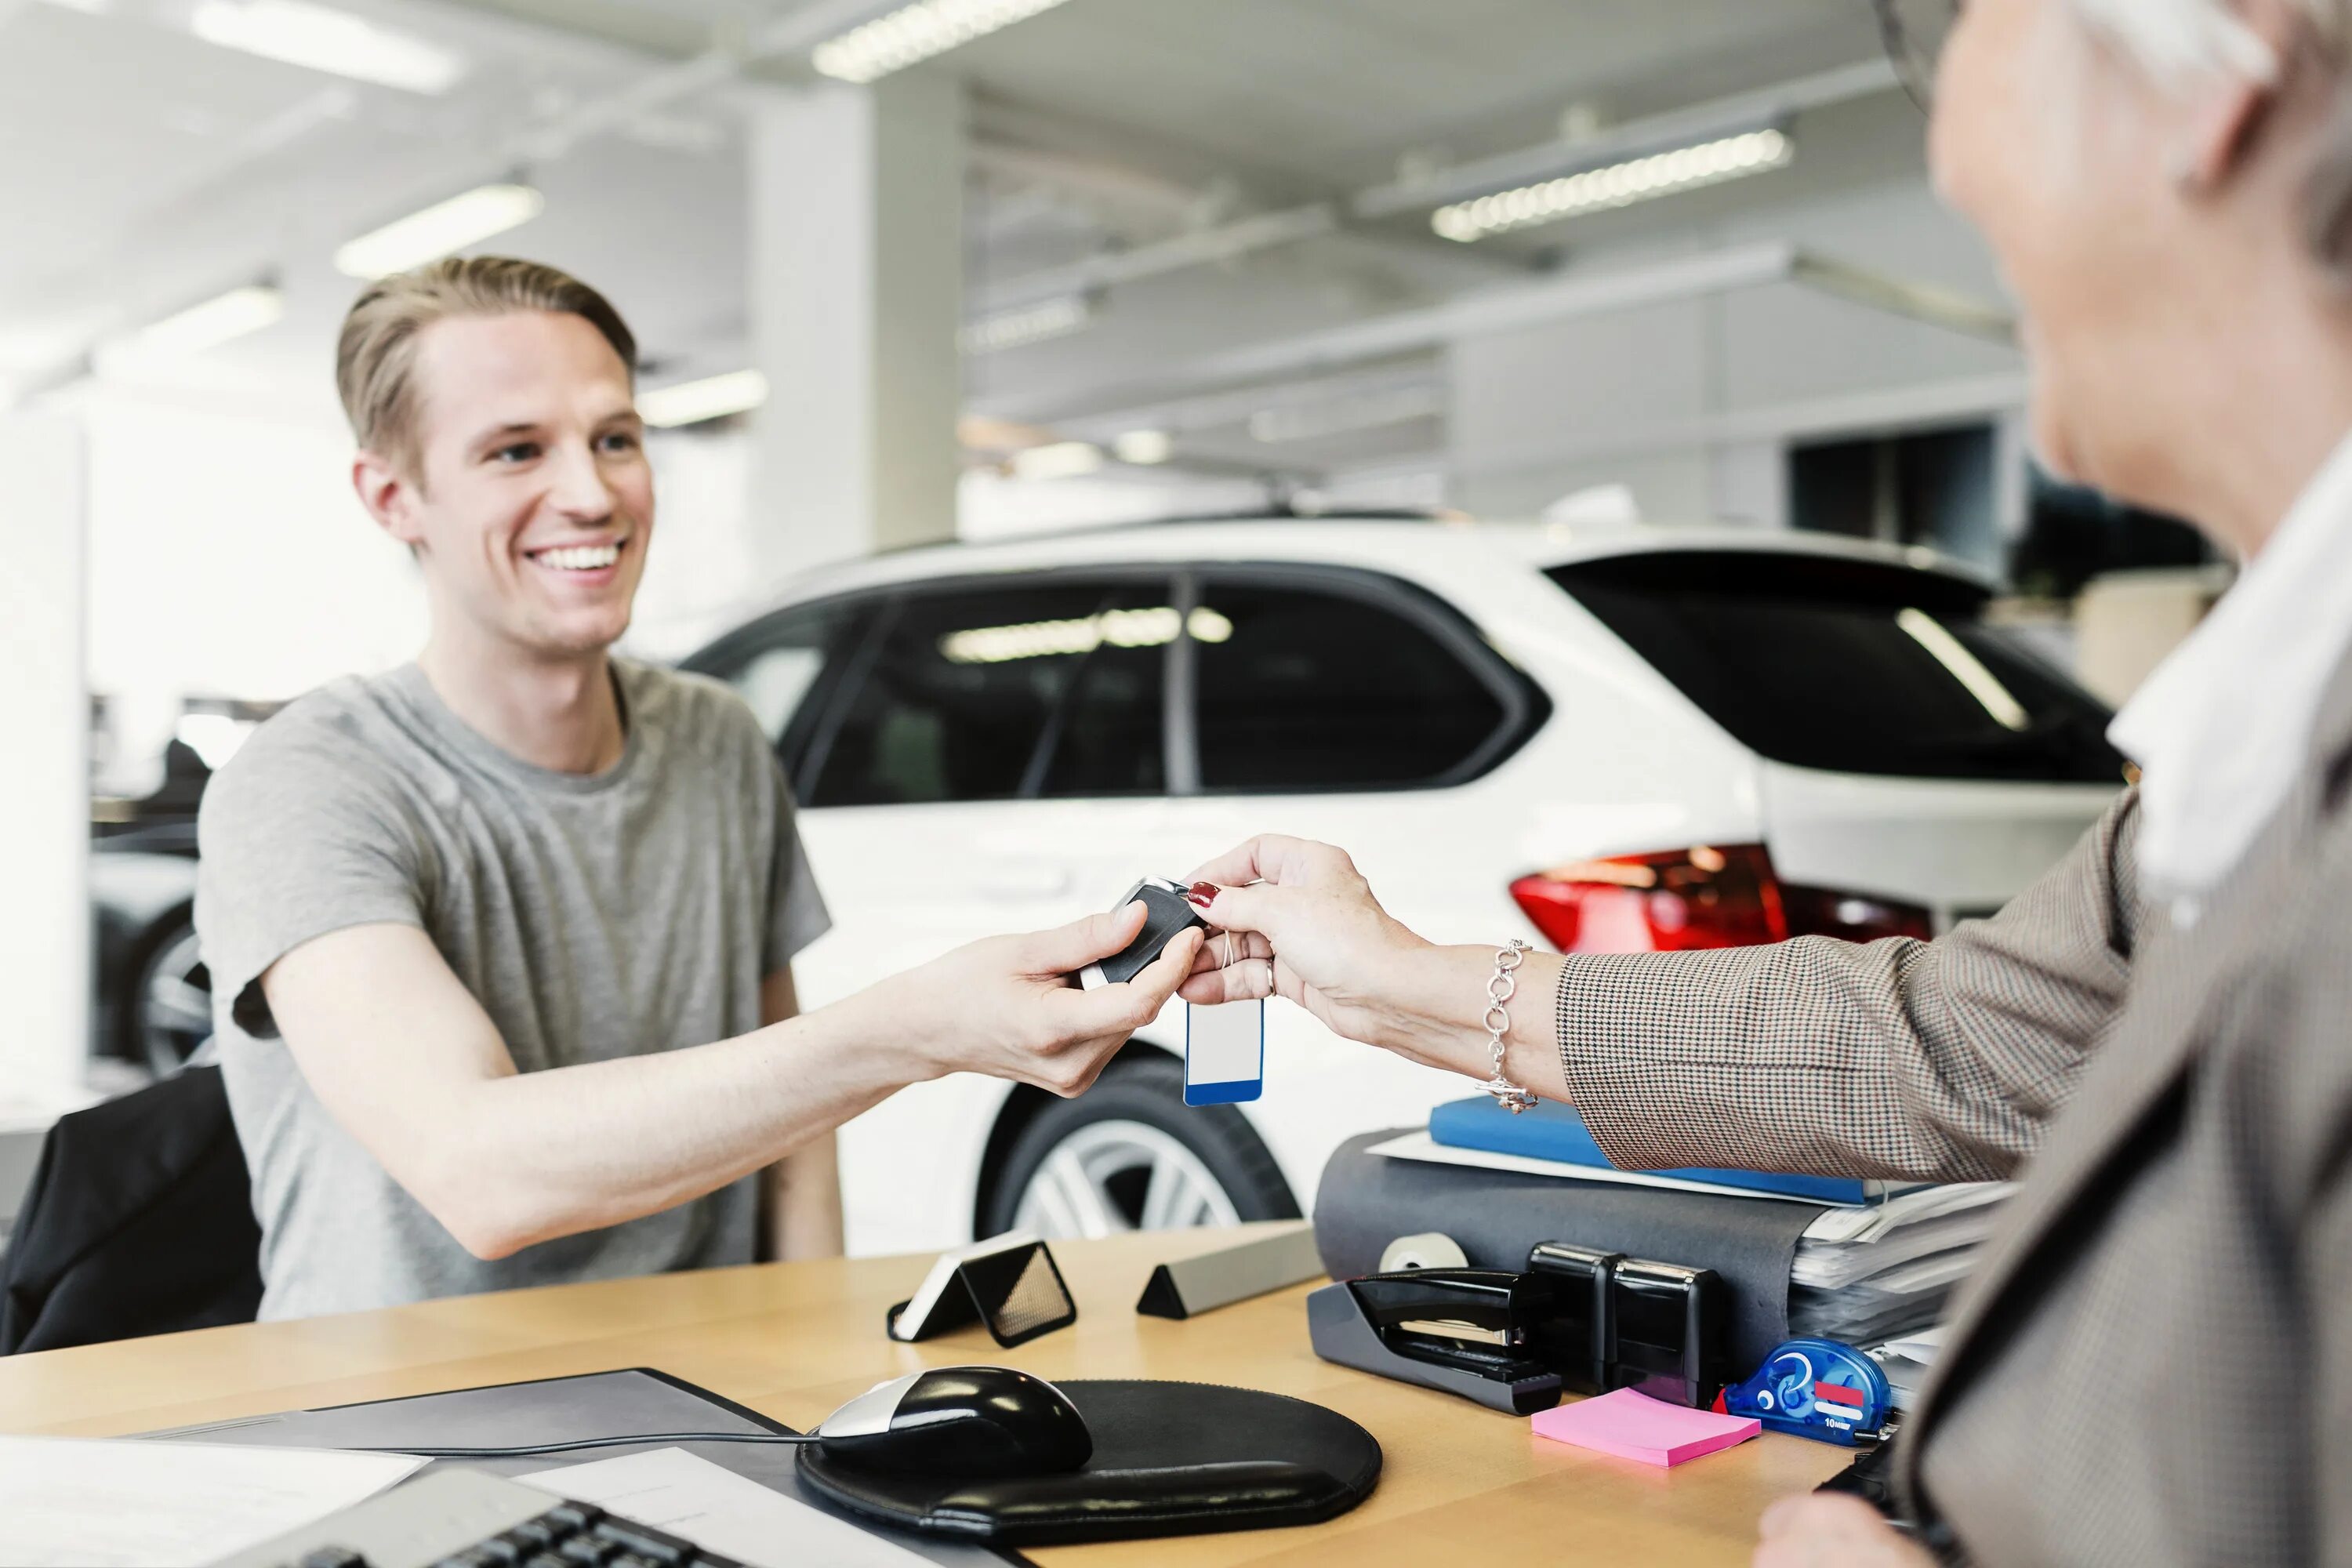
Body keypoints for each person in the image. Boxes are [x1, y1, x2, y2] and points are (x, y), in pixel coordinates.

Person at [1179, 0, 2352, 1562]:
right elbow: (1962, 1032)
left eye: (1969, 26)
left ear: (2231, 63)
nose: (1939, 132)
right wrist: (1400, 985)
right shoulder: (2260, 740)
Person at [194, 257, 1200, 1322]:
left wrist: (826, 1370)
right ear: (395, 498)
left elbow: (795, 1136)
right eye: (516, 450)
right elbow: (479, 1174)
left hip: (697, 1402)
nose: (592, 494)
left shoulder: (716, 738)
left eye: (616, 439)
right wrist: (909, 1031)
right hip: (410, 1436)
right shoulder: (307, 780)